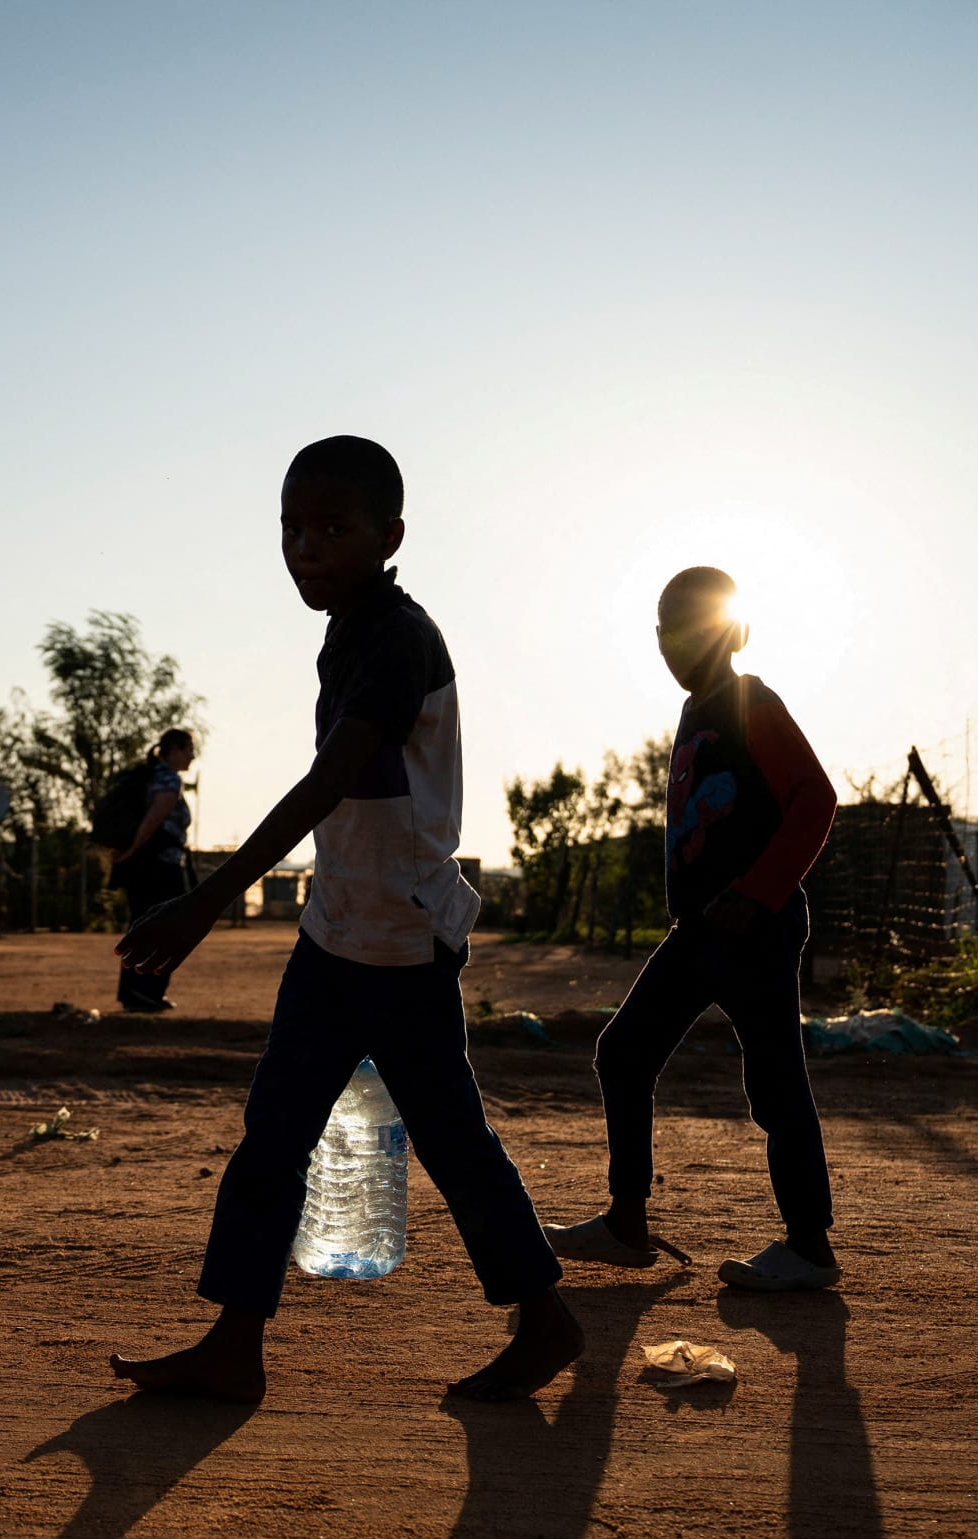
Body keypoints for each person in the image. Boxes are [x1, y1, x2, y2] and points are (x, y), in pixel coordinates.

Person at [110, 435, 576, 1405]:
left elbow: (331, 779)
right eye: (290, 527)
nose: (304, 547)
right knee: (272, 1133)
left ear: (389, 534)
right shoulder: (350, 627)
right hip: (337, 929)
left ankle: (544, 1315)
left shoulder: (394, 638)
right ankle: (235, 1344)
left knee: (449, 1137)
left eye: (330, 526)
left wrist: (206, 896)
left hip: (399, 941)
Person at [546, 566, 842, 1290]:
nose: (676, 643)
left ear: (732, 631)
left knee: (775, 1084)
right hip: (700, 933)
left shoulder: (750, 702)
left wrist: (756, 893)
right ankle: (626, 1222)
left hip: (755, 930)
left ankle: (809, 1246)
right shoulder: (695, 714)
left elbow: (816, 799)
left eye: (692, 626)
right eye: (665, 630)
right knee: (623, 1051)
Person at [109, 727, 197, 1012]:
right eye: (189, 749)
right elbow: (152, 821)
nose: (192, 756)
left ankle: (134, 993)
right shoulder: (168, 781)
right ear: (175, 750)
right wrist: (132, 850)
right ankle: (147, 992)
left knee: (142, 926)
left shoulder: (151, 776)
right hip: (159, 868)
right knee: (167, 927)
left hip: (145, 867)